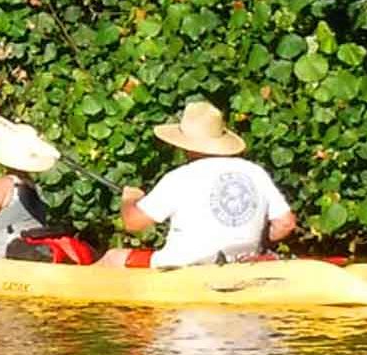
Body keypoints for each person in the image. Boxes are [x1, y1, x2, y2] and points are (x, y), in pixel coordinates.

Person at [97, 100, 296, 267]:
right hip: (245, 263)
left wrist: (130, 199)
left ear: (185, 144)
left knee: (113, 257)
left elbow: (133, 223)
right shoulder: (255, 172)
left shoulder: (179, 177)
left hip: (184, 267)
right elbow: (285, 224)